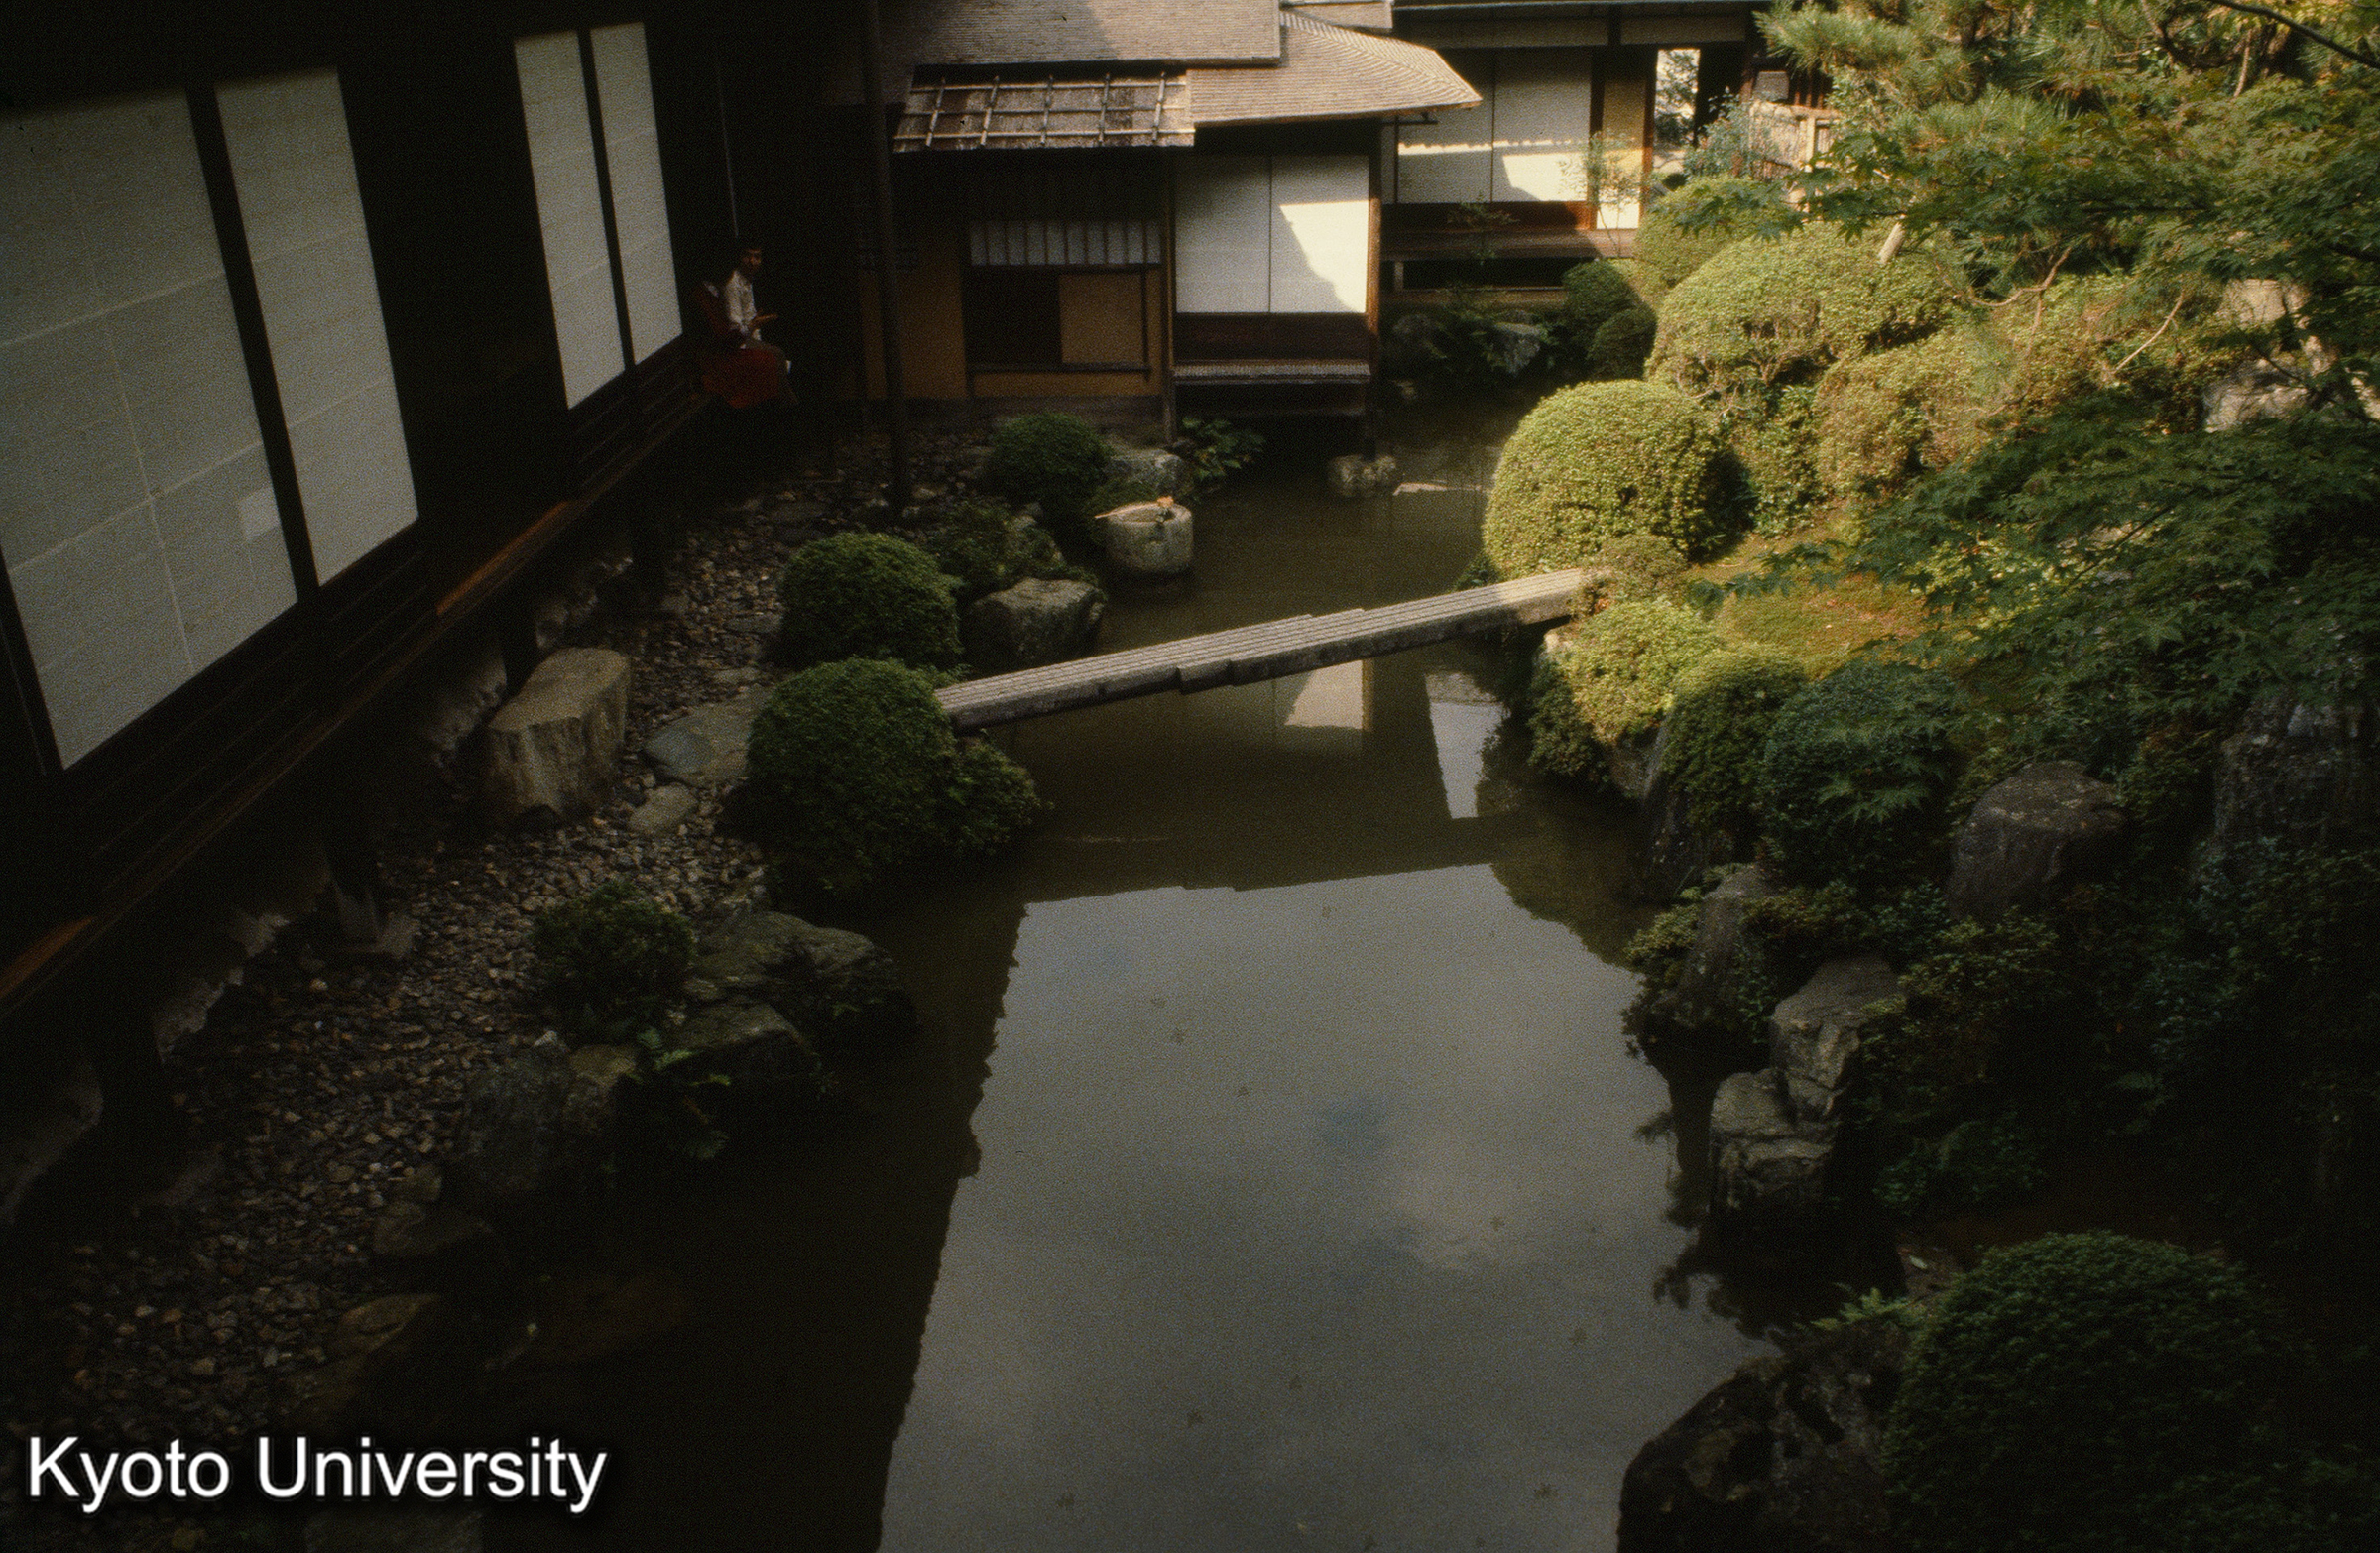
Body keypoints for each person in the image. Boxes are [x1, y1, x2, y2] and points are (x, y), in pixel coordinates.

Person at [695, 240, 790, 408]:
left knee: (777, 356)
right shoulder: (717, 290)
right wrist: (753, 325)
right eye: (747, 256)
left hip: (735, 341)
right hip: (725, 351)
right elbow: (731, 332)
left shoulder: (736, 283)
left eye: (757, 257)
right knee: (776, 357)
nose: (751, 262)